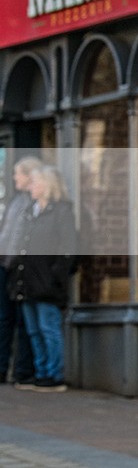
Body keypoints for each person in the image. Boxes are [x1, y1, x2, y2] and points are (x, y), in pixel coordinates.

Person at [8, 166, 77, 392]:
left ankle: (54, 375)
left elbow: (67, 248)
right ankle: (41, 372)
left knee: (49, 329)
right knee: (34, 331)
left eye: (35, 182)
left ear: (47, 185)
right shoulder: (31, 211)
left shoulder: (61, 212)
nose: (31, 187)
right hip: (26, 280)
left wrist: (55, 276)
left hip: (46, 282)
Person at [0, 156, 40, 384]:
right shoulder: (16, 201)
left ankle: (23, 370)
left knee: (24, 321)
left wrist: (14, 261)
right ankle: (3, 368)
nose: (15, 177)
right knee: (4, 319)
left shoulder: (32, 203)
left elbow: (21, 238)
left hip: (19, 267)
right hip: (5, 264)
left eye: (18, 174)